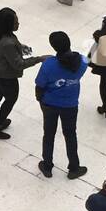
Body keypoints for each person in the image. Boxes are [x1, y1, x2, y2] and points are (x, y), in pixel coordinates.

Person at [34, 31, 87, 180]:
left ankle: (47, 165)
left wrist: (40, 100)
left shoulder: (49, 65)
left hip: (50, 104)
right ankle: (74, 167)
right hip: (70, 104)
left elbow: (40, 85)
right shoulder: (82, 63)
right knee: (70, 134)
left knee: (49, 134)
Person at [0, 7, 44, 140]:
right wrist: (38, 59)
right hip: (6, 76)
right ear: (7, 25)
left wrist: (20, 47)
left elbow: (3, 49)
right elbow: (19, 64)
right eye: (15, 22)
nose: (18, 24)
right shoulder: (8, 43)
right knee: (11, 98)